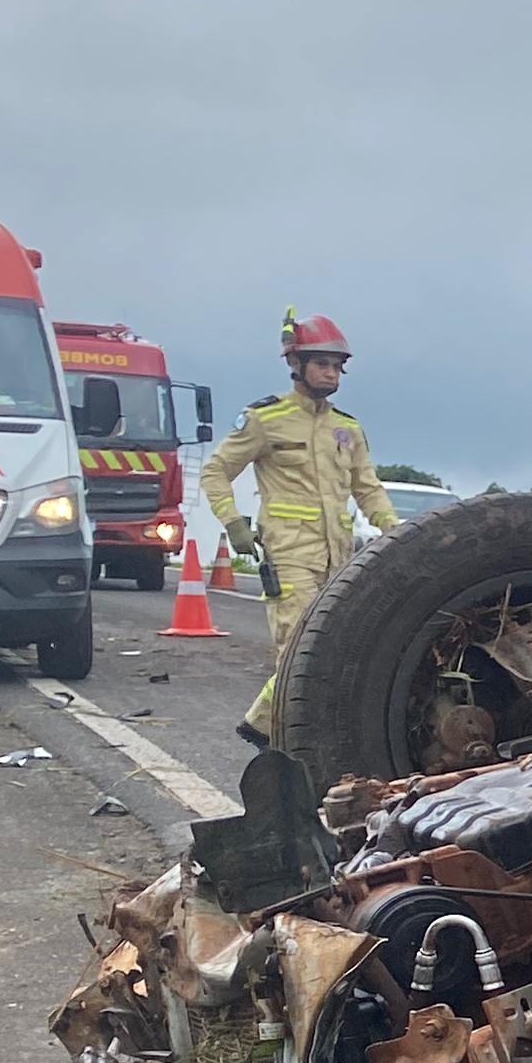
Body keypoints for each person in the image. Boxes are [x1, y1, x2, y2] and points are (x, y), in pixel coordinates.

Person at [200, 310, 400, 744]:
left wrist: (396, 531)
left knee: (334, 647)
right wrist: (233, 523)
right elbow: (216, 471)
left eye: (336, 366)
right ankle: (278, 736)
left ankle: (268, 729)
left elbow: (368, 489)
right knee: (299, 651)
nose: (330, 373)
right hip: (289, 557)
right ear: (297, 365)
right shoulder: (264, 420)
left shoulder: (347, 428)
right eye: (321, 364)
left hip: (339, 559)